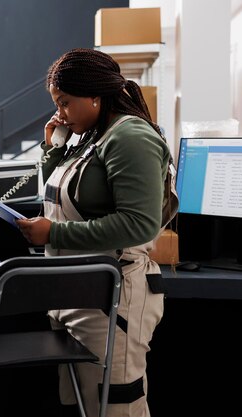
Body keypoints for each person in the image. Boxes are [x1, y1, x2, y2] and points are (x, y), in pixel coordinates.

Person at [15, 48, 174, 417]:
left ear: (94, 97)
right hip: (78, 289)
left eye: (65, 102)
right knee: (87, 403)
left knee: (116, 406)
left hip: (114, 294)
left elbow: (139, 224)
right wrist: (55, 147)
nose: (61, 113)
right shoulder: (90, 136)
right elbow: (66, 194)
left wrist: (53, 234)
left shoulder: (131, 137)